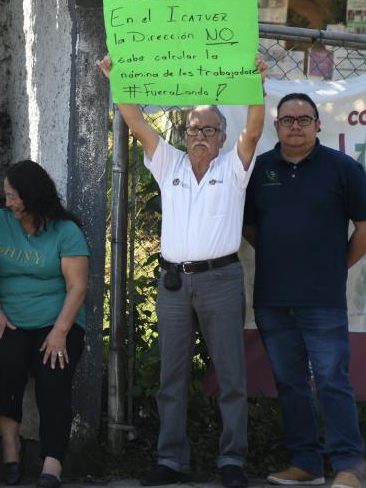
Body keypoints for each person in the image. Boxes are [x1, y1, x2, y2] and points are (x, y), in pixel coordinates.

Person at [97, 54, 267, 488]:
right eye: (193, 129)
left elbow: (253, 130)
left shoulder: (234, 167)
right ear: (184, 133)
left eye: (209, 129)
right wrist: (118, 79)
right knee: (171, 375)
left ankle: (232, 461)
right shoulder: (168, 162)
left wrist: (255, 84)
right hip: (174, 283)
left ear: (222, 136)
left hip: (220, 281)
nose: (200, 136)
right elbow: (135, 123)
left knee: (230, 375)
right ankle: (171, 460)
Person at [243, 93, 366, 488]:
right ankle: (306, 465)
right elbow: (249, 228)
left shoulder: (343, 168)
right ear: (276, 126)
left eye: (303, 119)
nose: (294, 126)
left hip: (322, 298)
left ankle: (348, 465)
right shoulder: (259, 169)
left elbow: (365, 227)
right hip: (273, 298)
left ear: (318, 125)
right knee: (290, 382)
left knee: (332, 378)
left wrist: (337, 264)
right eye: (287, 120)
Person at [0, 160, 89, 488]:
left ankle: (53, 461)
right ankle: (11, 448)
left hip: (57, 321)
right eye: (6, 196)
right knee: (6, 364)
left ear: (33, 196)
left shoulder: (65, 230)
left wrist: (59, 333)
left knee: (53, 376)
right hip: (10, 319)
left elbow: (78, 286)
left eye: (13, 196)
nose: (7, 203)